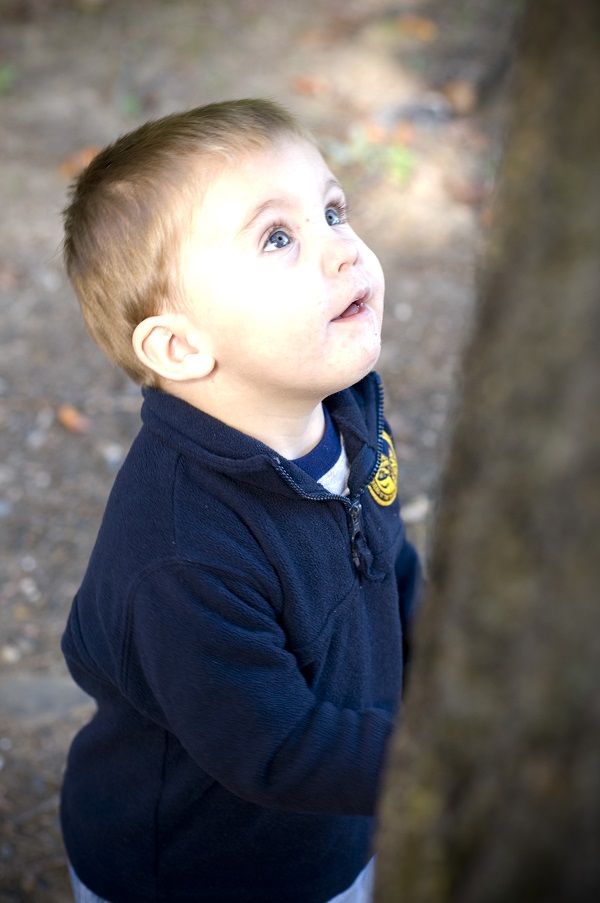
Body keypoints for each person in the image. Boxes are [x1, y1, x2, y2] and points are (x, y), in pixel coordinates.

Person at [60, 98, 421, 903]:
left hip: (340, 819)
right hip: (205, 869)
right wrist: (442, 762)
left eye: (333, 210)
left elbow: (390, 562)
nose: (341, 250)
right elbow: (276, 745)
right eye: (279, 237)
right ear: (182, 345)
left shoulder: (348, 410)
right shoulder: (182, 554)